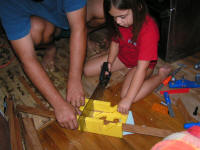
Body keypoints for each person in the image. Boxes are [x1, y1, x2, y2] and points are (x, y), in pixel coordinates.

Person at [0, 0, 104, 129]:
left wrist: (75, 79)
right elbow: (27, 58)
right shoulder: (6, 4)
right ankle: (50, 47)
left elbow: (78, 28)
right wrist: (59, 104)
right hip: (48, 25)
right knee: (35, 30)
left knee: (105, 8)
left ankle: (86, 36)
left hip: (76, 17)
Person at [84, 0, 171, 114]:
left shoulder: (149, 30)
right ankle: (106, 57)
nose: (118, 21)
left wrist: (128, 99)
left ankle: (161, 76)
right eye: (114, 17)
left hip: (142, 65)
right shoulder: (119, 20)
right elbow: (115, 43)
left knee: (128, 95)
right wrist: (109, 63)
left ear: (138, 7)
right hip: (124, 57)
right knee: (87, 70)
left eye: (122, 17)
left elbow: (141, 69)